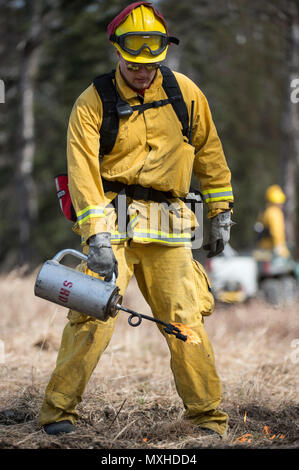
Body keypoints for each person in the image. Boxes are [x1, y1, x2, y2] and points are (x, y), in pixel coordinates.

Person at [39, 1, 234, 438]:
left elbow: (210, 153)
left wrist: (221, 212)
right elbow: (83, 173)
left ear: (161, 55)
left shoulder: (185, 93)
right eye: (133, 64)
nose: (142, 73)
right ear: (118, 53)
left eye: (150, 65)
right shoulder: (92, 103)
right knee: (90, 318)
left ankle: (207, 419)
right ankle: (57, 414)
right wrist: (97, 238)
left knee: (186, 320)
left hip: (170, 225)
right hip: (113, 224)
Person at [255, 184, 290, 259]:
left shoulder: (265, 211)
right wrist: (280, 248)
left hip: (264, 248)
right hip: (273, 250)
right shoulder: (275, 213)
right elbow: (277, 231)